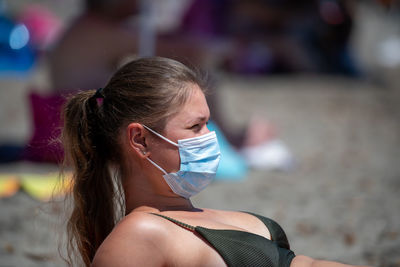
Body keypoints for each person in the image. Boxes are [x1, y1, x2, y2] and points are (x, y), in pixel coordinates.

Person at [61, 57, 365, 267]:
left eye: (209, 124)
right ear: (140, 140)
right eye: (196, 127)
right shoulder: (138, 236)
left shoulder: (183, 218)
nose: (211, 137)